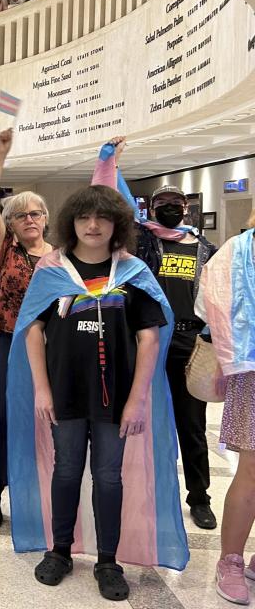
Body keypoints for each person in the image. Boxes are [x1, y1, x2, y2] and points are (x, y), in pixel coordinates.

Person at [20, 186, 175, 601]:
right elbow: (33, 330)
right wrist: (41, 389)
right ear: (71, 223)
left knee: (108, 476)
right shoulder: (52, 271)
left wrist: (138, 399)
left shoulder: (133, 273)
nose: (93, 225)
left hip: (117, 399)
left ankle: (108, 561)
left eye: (102, 218)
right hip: (65, 394)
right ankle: (60, 551)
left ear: (116, 224)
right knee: (66, 470)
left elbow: (149, 339)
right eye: (84, 217)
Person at [96, 139, 218, 529]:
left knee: (191, 424)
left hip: (187, 343)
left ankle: (199, 497)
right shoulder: (142, 239)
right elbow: (119, 201)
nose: (169, 208)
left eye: (176, 204)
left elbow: (217, 297)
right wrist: (110, 163)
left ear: (185, 210)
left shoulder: (205, 248)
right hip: (145, 340)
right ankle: (141, 491)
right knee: (137, 418)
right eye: (161, 203)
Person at [0, 128, 53, 527]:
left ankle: (37, 492)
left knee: (46, 420)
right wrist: (1, 154)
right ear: (11, 224)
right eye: (21, 215)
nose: (30, 219)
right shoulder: (7, 251)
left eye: (35, 213)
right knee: (6, 414)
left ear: (46, 219)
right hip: (12, 344)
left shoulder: (61, 256)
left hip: (54, 348)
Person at [196, 211, 255, 605]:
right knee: (252, 470)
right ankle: (230, 561)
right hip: (252, 370)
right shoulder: (239, 251)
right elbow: (210, 305)